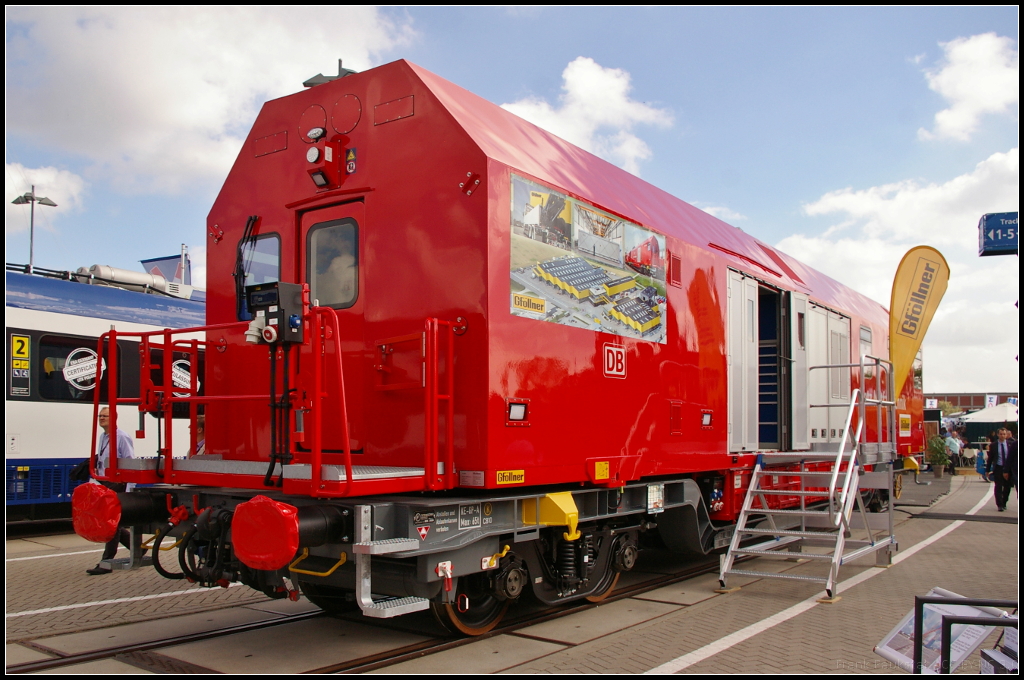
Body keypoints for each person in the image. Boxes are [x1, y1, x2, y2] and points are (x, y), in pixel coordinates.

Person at [87, 407, 138, 575]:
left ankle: (106, 561)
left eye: (105, 416)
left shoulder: (121, 437)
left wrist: (130, 488)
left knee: (111, 523)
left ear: (114, 418)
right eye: (100, 416)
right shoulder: (103, 437)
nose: (101, 418)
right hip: (105, 484)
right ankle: (137, 548)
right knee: (112, 523)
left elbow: (130, 462)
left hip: (118, 485)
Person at [986, 428, 1018, 512]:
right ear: (998, 434)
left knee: (1007, 487)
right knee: (998, 486)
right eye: (1001, 434)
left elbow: (1012, 457)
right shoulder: (993, 445)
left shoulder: (1011, 444)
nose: (1002, 435)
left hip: (1009, 469)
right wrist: (987, 469)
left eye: (1004, 434)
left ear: (1006, 435)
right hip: (999, 467)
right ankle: (999, 504)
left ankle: (1004, 502)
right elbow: (990, 458)